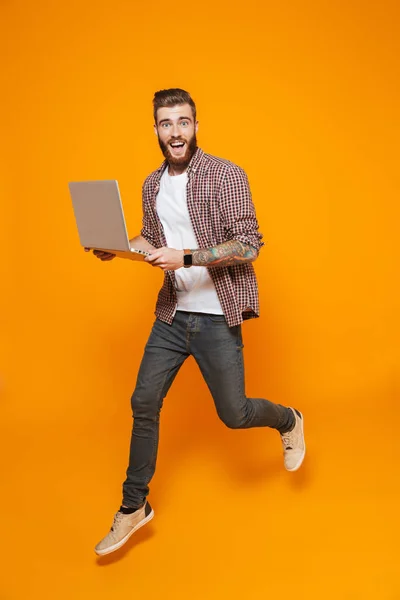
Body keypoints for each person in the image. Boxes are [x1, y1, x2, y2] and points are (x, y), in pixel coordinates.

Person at [91, 88, 305, 556]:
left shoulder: (225, 174)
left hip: (215, 317)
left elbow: (249, 245)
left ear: (196, 125)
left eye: (183, 122)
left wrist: (186, 256)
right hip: (173, 314)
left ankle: (289, 420)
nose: (175, 132)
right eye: (166, 124)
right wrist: (119, 246)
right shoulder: (152, 184)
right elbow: (152, 237)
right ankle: (133, 508)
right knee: (143, 402)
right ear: (155, 130)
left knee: (235, 414)